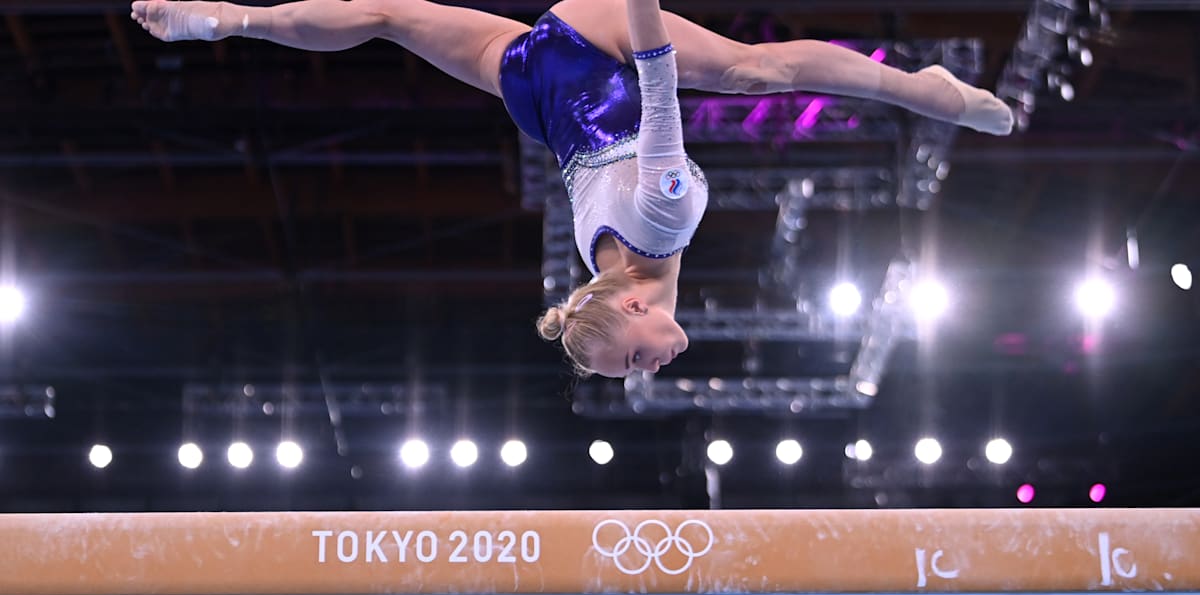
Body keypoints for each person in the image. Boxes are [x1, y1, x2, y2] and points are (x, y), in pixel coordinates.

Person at [131, 0, 1013, 378]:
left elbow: (660, 80)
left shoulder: (662, 217)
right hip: (535, 97)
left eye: (630, 361)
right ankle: (222, 18)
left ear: (631, 309)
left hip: (594, 56)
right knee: (391, 17)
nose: (643, 374)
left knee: (750, 72)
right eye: (631, 369)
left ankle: (922, 90)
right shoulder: (606, 268)